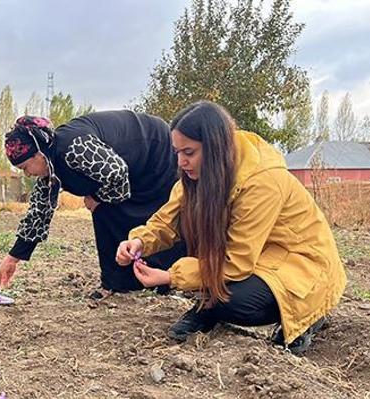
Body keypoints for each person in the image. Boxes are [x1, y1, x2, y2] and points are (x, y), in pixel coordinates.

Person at [116, 101, 346, 354]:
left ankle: (308, 317)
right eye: (177, 152)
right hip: (259, 259)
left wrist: (173, 277)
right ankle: (208, 308)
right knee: (212, 279)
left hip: (300, 267)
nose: (181, 161)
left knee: (234, 301)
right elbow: (167, 221)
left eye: (189, 152)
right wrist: (139, 242)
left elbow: (237, 263)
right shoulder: (198, 176)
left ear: (216, 148)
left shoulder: (264, 182)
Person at [0, 111, 184, 298]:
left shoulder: (72, 147)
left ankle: (165, 277)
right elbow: (39, 214)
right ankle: (122, 282)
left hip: (154, 148)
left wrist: (97, 197)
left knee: (148, 215)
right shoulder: (50, 167)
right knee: (104, 208)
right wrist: (13, 258)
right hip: (131, 165)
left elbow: (116, 172)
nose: (27, 174)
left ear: (38, 154)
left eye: (25, 167)